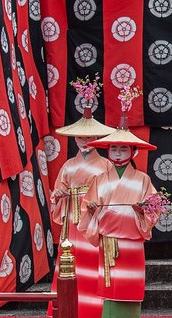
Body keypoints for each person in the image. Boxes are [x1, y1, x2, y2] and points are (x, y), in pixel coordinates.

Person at [78, 89, 160, 318]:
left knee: (129, 288)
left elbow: (155, 209)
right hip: (109, 241)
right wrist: (92, 210)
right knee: (110, 289)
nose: (117, 152)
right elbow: (87, 207)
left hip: (132, 242)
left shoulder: (143, 179)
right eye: (113, 148)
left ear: (133, 151)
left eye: (123, 148)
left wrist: (143, 211)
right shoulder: (100, 180)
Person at [48, 100, 116, 318]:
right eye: (80, 137)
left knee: (93, 260)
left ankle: (94, 309)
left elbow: (112, 190)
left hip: (95, 217)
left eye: (88, 137)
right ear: (74, 139)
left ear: (96, 138)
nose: (85, 141)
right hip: (73, 219)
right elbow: (58, 191)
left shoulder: (106, 164)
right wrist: (58, 195)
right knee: (71, 260)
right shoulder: (68, 165)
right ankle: (68, 308)